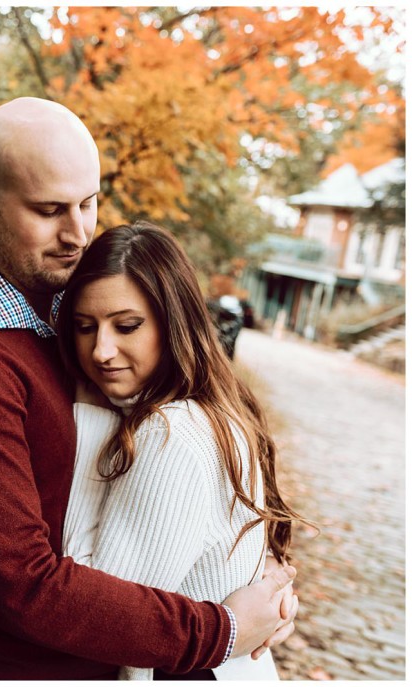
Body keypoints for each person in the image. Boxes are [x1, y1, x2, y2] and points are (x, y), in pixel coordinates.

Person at [0, 97, 298, 679]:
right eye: (49, 210)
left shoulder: (65, 322)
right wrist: (221, 631)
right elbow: (23, 586)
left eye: (87, 203)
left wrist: (261, 588)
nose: (77, 235)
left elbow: (193, 474)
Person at [58, 221, 304, 680]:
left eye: (127, 326)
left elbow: (97, 610)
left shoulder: (172, 432)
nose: (102, 351)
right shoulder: (213, 410)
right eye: (85, 327)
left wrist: (89, 418)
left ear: (173, 322)